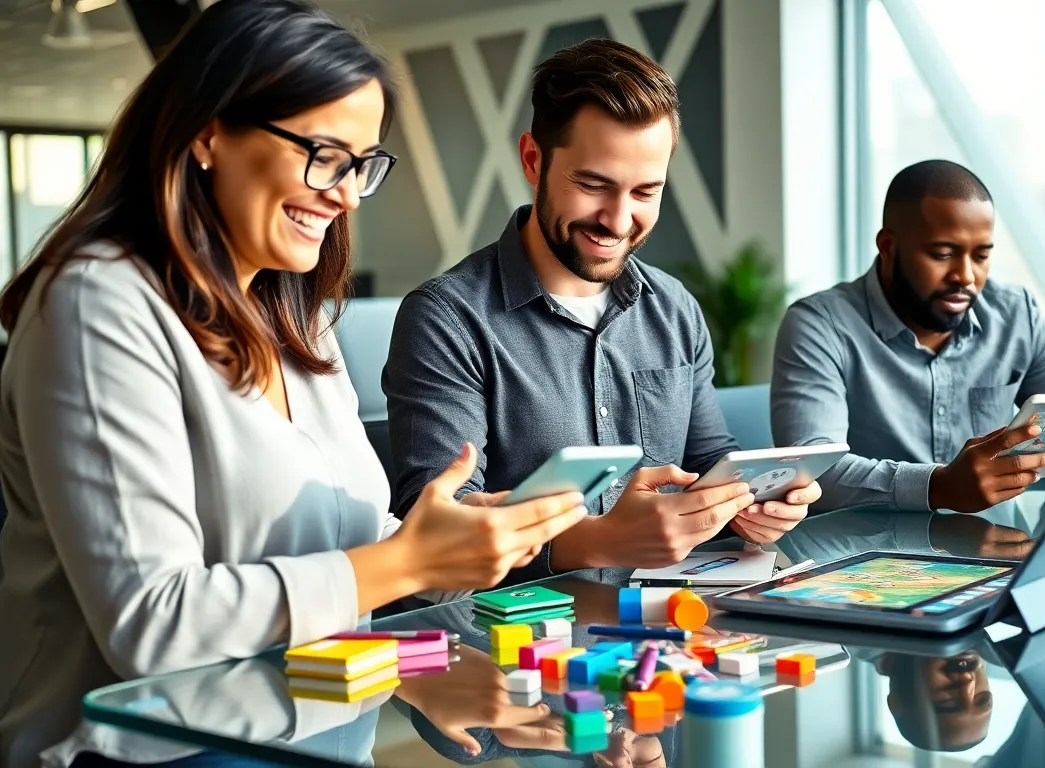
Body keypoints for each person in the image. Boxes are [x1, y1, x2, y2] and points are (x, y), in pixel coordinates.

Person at [0, 2, 587, 765]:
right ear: (207, 131)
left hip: (323, 734)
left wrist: (449, 582)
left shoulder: (296, 315)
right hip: (137, 749)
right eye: (322, 153)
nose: (344, 193)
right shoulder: (97, 301)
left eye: (361, 164)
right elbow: (154, 624)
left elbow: (344, 552)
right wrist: (412, 560)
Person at [384, 39, 820, 580]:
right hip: (518, 644)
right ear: (532, 160)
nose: (617, 220)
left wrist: (755, 506)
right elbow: (435, 526)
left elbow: (712, 462)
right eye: (593, 185)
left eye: (645, 191)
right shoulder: (446, 319)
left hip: (668, 631)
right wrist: (599, 540)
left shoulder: (676, 308)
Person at [772, 159, 1045, 514]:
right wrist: (936, 486)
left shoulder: (1018, 314)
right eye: (942, 254)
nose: (966, 276)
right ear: (888, 246)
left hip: (1000, 551)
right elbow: (810, 471)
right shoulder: (819, 324)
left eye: (981, 256)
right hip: (863, 562)